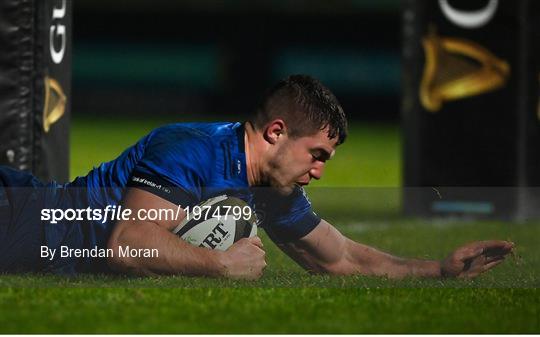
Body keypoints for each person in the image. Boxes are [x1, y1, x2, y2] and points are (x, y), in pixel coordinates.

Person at [0, 75, 513, 279]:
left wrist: (440, 269)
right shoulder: (195, 149)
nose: (319, 170)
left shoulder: (269, 189)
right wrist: (219, 264)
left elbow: (340, 256)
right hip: (21, 222)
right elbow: (128, 242)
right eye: (316, 154)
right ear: (275, 132)